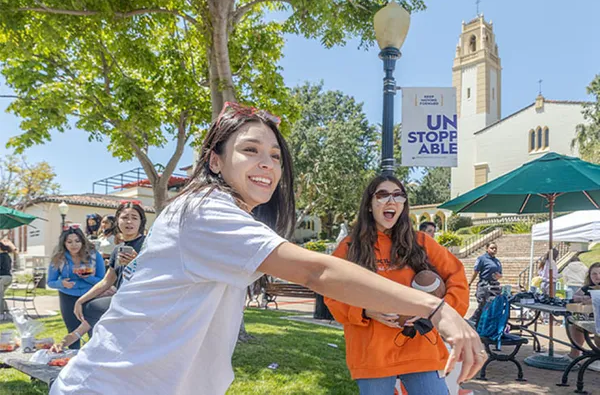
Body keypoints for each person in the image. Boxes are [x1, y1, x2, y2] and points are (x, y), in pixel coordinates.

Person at [49, 102, 485, 395]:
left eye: (276, 156)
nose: (268, 164)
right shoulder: (203, 210)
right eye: (251, 150)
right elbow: (319, 275)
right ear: (215, 160)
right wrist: (437, 310)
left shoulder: (221, 214)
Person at [325, 175, 469, 395]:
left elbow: (457, 280)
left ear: (403, 205)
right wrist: (364, 310)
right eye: (382, 195)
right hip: (372, 353)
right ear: (369, 205)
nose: (391, 201)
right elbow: (331, 293)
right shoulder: (350, 247)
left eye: (398, 195)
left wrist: (437, 313)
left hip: (420, 349)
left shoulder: (421, 242)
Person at [73, 202, 147, 333]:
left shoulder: (148, 245)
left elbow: (157, 273)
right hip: (121, 299)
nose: (129, 221)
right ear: (117, 220)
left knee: (92, 309)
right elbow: (107, 281)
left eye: (134, 218)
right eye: (124, 217)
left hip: (141, 302)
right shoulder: (117, 249)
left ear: (141, 222)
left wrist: (137, 262)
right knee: (88, 307)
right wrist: (80, 300)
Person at [47, 227, 105, 349]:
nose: (74, 245)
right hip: (67, 296)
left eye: (77, 241)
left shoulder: (94, 255)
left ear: (83, 241)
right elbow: (50, 282)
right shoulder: (59, 257)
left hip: (90, 296)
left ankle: (93, 358)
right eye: (69, 242)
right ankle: (73, 360)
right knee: (73, 330)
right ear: (64, 243)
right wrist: (62, 283)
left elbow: (103, 281)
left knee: (93, 329)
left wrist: (87, 277)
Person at [566, 262, 600, 371]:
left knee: (597, 332)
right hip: (591, 318)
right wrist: (584, 299)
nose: (597, 276)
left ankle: (597, 356)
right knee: (575, 324)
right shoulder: (587, 287)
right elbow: (575, 297)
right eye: (594, 274)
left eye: (599, 273)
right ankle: (575, 354)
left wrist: (590, 300)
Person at [468, 242, 502, 325]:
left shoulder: (497, 261)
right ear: (487, 249)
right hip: (484, 285)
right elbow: (475, 272)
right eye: (492, 248)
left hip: (494, 286)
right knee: (482, 305)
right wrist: (469, 283)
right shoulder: (482, 259)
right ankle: (473, 322)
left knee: (492, 306)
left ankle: (485, 324)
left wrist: (499, 276)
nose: (494, 250)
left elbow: (500, 274)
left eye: (495, 248)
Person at [0, 239, 16, 318]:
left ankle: (1, 313)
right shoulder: (7, 256)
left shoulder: (0, 256)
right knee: (1, 295)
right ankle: (7, 312)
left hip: (2, 277)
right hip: (8, 277)